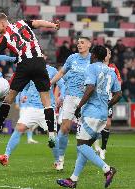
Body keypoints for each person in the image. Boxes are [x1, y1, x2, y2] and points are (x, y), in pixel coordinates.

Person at [0, 12, 60, 148]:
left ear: (2, 23)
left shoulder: (4, 37)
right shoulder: (22, 23)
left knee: (8, 99)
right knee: (46, 100)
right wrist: (53, 25)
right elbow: (38, 23)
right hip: (39, 62)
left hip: (24, 64)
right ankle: (51, 135)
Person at [56, 45, 122, 188]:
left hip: (91, 113)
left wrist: (79, 107)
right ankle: (73, 179)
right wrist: (108, 105)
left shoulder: (91, 68)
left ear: (94, 55)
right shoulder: (111, 71)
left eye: (91, 55)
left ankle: (107, 169)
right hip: (103, 115)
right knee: (85, 147)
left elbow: (90, 88)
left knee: (81, 145)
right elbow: (119, 94)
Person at [0, 63, 65, 170]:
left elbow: (62, 85)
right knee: (19, 128)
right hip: (31, 107)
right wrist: (23, 95)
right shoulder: (31, 69)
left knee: (52, 136)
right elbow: (25, 87)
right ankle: (6, 156)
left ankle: (58, 162)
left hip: (46, 108)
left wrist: (62, 96)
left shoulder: (52, 71)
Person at [50, 37, 91, 168]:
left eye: (82, 42)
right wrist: (49, 83)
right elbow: (61, 72)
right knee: (65, 128)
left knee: (83, 132)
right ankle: (60, 158)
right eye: (78, 42)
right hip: (70, 97)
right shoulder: (72, 58)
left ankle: (80, 162)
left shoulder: (93, 60)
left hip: (85, 99)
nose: (79, 44)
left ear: (89, 45)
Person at [94, 48, 122, 160]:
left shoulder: (113, 67)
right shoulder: (95, 66)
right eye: (105, 52)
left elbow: (119, 81)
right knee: (95, 122)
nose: (107, 54)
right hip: (95, 97)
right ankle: (95, 143)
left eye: (109, 53)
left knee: (108, 123)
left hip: (108, 98)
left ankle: (103, 149)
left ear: (110, 56)